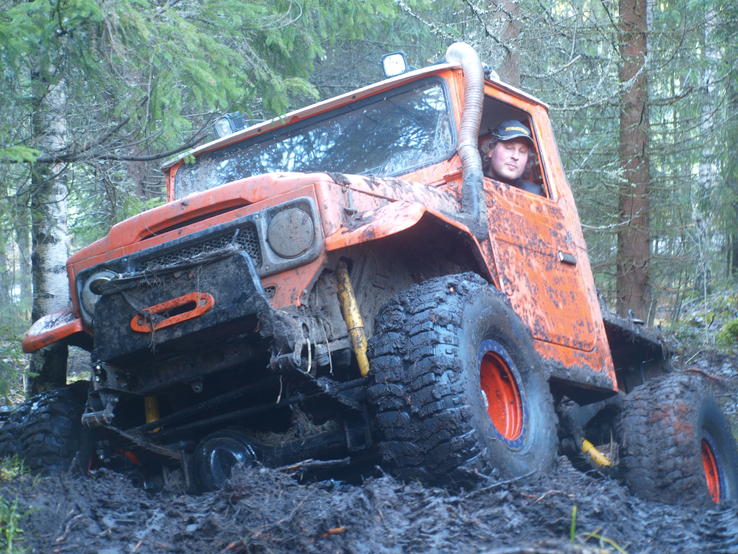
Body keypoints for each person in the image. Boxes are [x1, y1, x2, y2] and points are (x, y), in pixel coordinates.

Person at [483, 120, 544, 196]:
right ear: (491, 150)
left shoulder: (535, 194)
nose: (515, 156)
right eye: (509, 148)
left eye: (522, 151)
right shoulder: (472, 182)